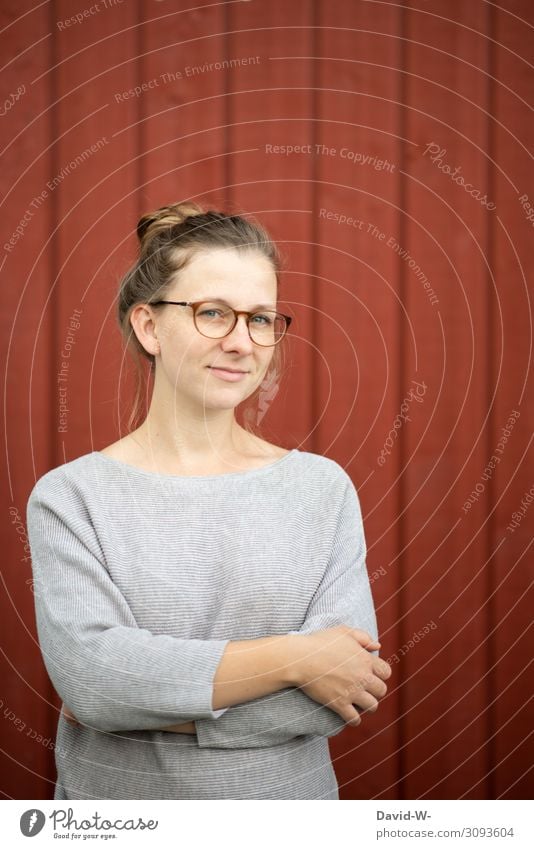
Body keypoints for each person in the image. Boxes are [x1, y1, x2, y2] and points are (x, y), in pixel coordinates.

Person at [26, 202, 391, 800]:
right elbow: (96, 683)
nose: (243, 343)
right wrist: (297, 659)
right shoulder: (72, 498)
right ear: (148, 327)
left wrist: (146, 707)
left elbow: (340, 695)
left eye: (262, 319)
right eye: (213, 313)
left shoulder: (319, 491)